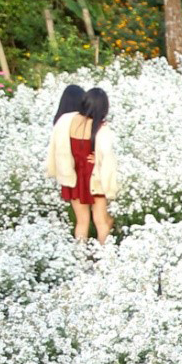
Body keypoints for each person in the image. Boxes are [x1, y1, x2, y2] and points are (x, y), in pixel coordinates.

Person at [45, 86, 119, 248]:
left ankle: (79, 257)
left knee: (82, 221)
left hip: (73, 176)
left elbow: (58, 144)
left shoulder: (66, 121)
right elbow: (107, 158)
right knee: (101, 221)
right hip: (94, 177)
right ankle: (105, 256)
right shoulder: (101, 128)